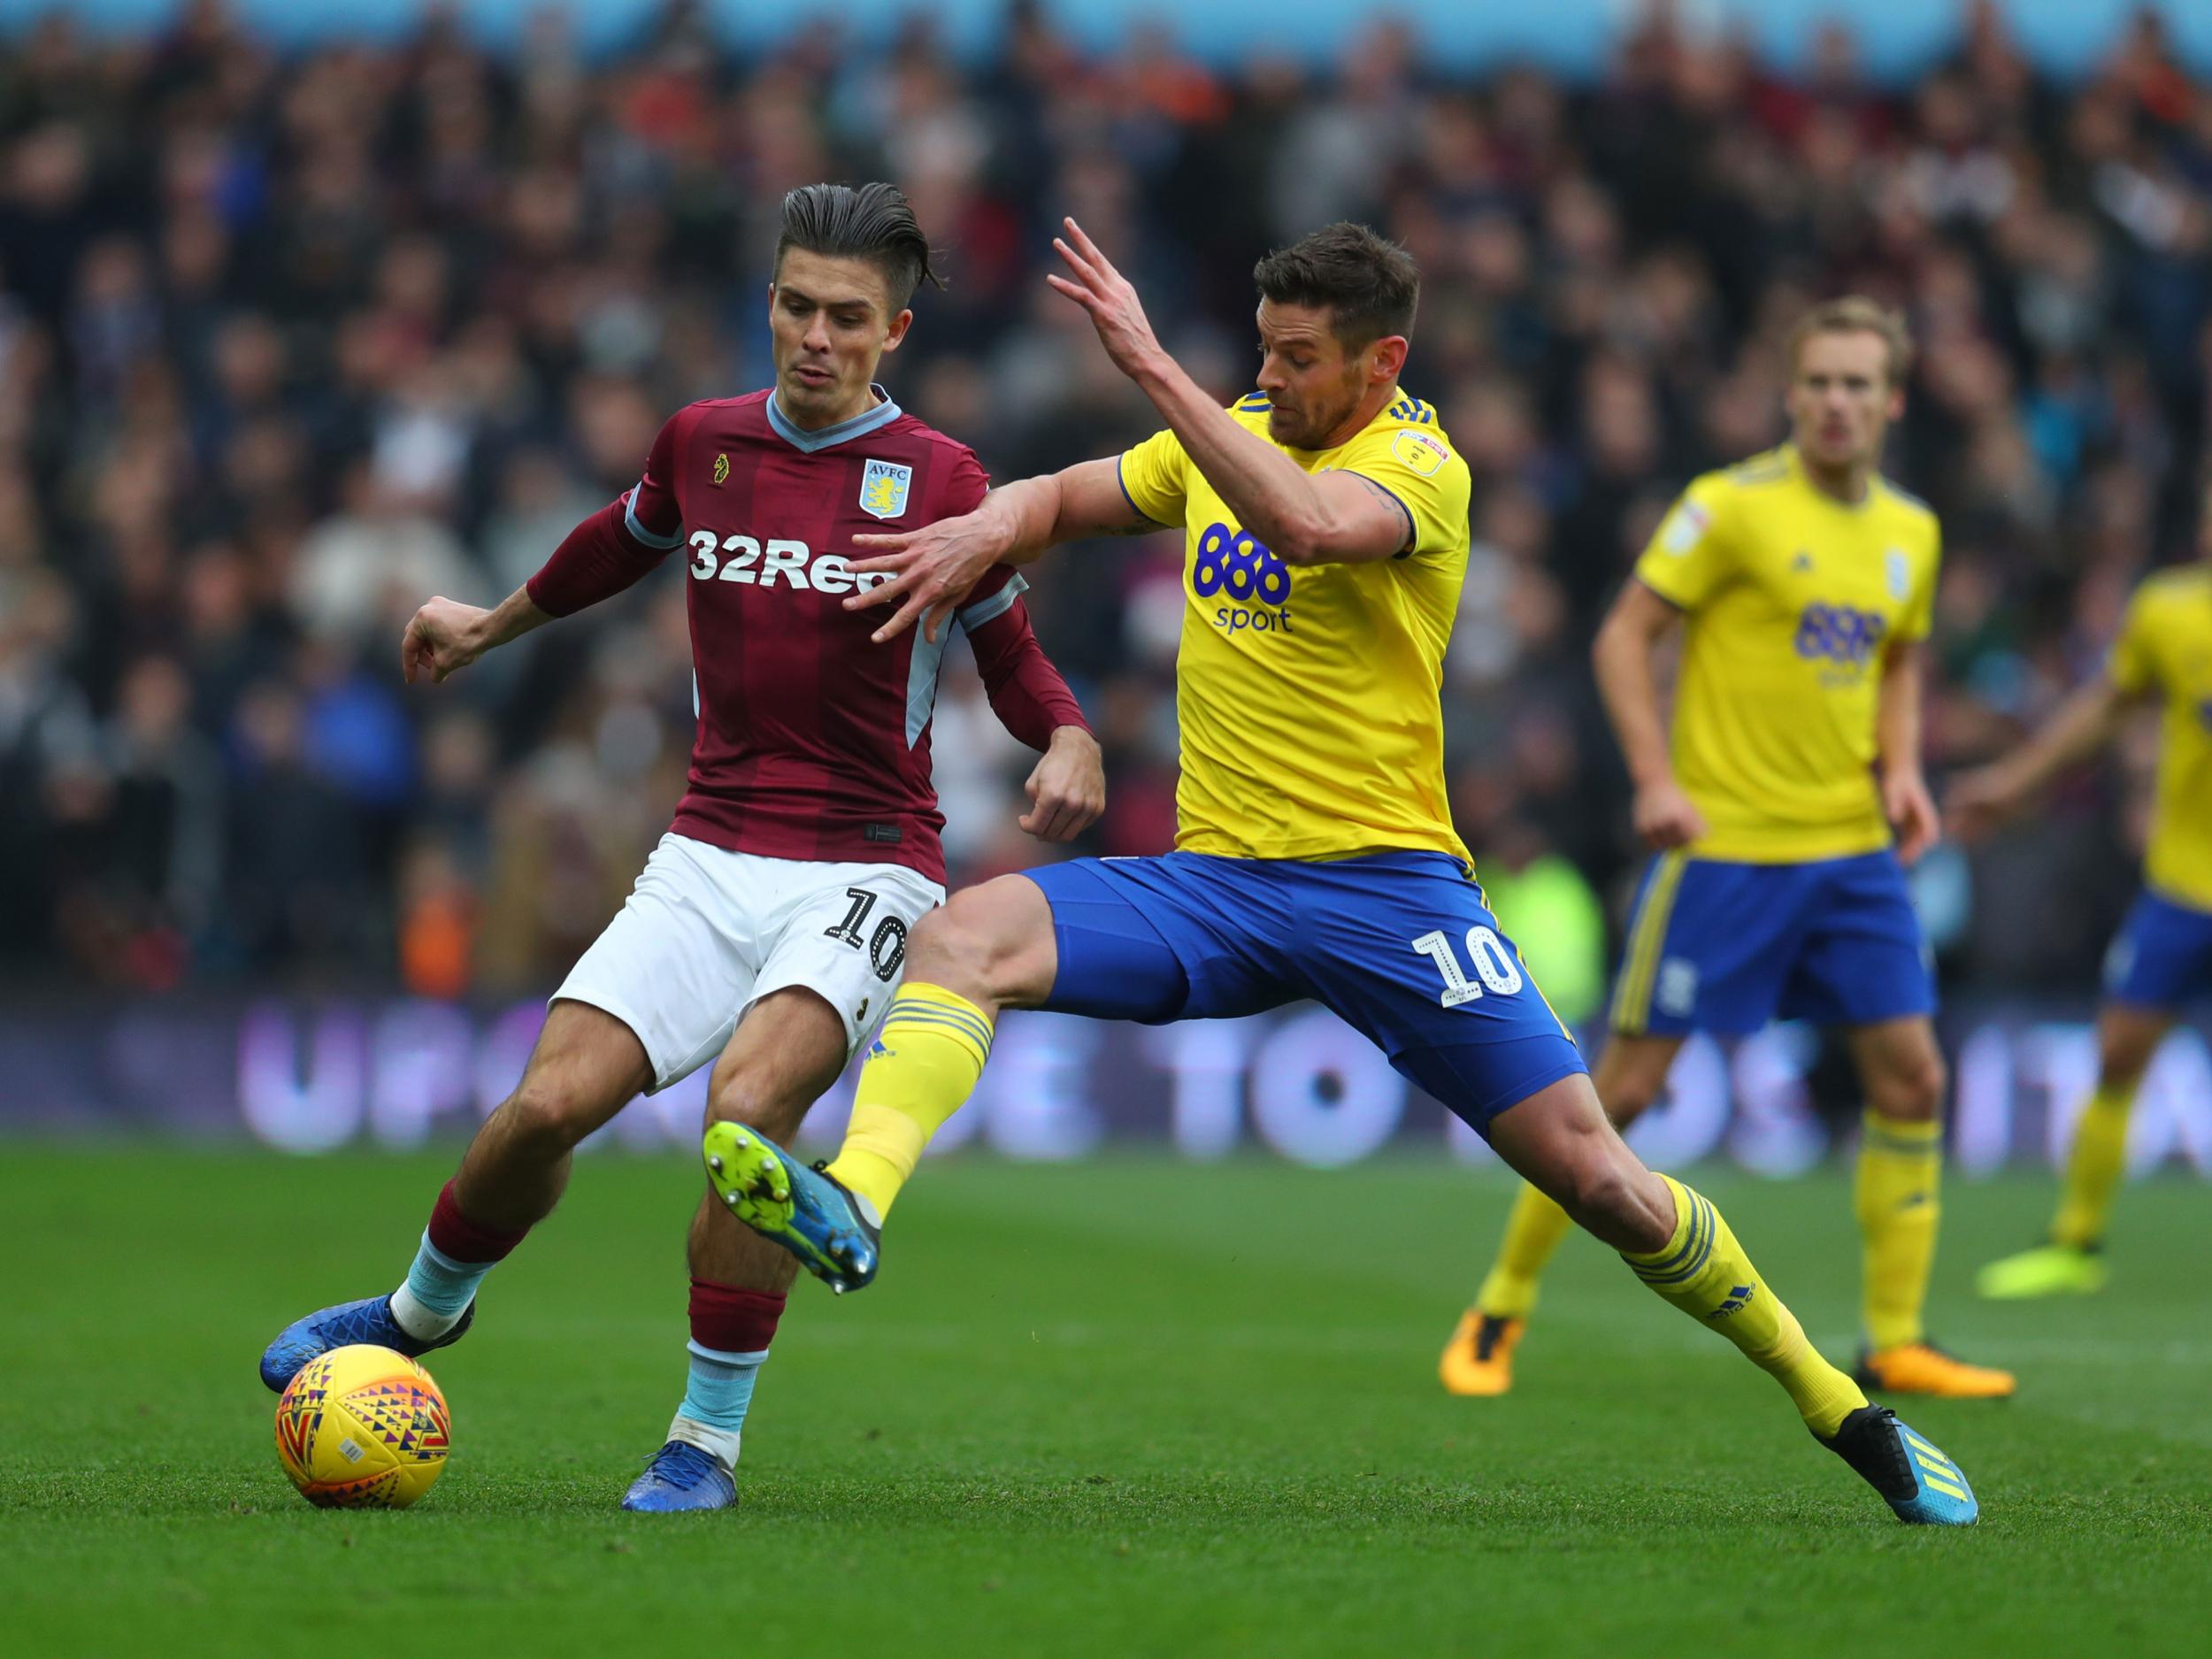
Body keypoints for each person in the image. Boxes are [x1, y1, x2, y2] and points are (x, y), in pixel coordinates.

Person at [705, 226, 1980, 1525]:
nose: (1273, 374)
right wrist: (983, 528)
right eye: (1262, 348)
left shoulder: (1418, 463)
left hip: (1393, 893)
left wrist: (1151, 362)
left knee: (1601, 1175)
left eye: (1301, 356)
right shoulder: (1237, 425)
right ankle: (855, 1201)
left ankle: (1839, 1402)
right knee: (966, 936)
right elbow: (1061, 499)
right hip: (1221, 886)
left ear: (1384, 362)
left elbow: (1308, 527)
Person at [256, 183, 1104, 1513]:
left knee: (745, 1121)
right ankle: (419, 1314)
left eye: (847, 318)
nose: (815, 336)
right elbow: (620, 544)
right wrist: (491, 623)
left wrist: (1069, 735)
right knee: (543, 1107)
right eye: (796, 306)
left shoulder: (941, 480)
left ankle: (704, 1440)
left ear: (895, 332)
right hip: (706, 848)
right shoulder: (704, 443)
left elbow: (1010, 650)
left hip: (864, 863)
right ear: (769, 301)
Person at [1440, 299, 2015, 1406]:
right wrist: (1656, 779)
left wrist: (1899, 768)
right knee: (1622, 1094)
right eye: (1819, 384)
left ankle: (1893, 1336)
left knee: (1913, 1074)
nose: (1837, 404)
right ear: (1790, 395)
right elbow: (1623, 634)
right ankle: (1501, 1301)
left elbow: (1897, 661)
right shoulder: (1729, 510)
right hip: (1728, 849)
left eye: (1858, 385)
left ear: (1893, 402)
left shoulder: (1911, 533)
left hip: (1850, 852)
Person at [1951, 481, 2212, 1299]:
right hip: (2182, 884)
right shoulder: (2170, 613)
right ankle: (2076, 1238)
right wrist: (2014, 783)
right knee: (2117, 1052)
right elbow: (2105, 710)